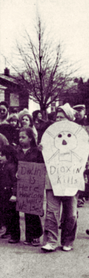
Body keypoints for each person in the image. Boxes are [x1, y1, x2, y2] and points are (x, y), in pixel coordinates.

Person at [41, 104, 80, 252]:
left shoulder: (79, 135)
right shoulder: (50, 134)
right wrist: (42, 149)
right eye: (57, 117)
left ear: (69, 119)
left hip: (71, 179)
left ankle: (67, 241)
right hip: (53, 178)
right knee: (51, 212)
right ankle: (51, 241)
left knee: (70, 214)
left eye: (61, 117)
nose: (58, 119)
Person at [17, 127, 44, 246]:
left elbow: (41, 165)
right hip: (21, 183)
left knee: (32, 211)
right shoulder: (17, 151)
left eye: (23, 137)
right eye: (19, 137)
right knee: (24, 209)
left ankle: (36, 235)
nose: (21, 139)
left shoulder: (36, 151)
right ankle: (28, 236)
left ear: (31, 138)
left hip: (33, 184)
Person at [0, 145, 20, 243]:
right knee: (5, 213)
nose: (0, 157)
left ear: (8, 156)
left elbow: (15, 181)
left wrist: (14, 194)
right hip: (2, 192)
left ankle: (15, 235)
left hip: (9, 193)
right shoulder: (1, 165)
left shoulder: (12, 167)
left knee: (12, 215)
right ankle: (8, 231)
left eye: (2, 155)